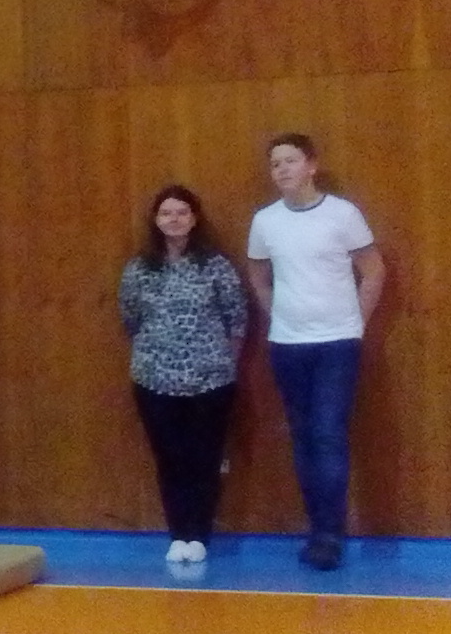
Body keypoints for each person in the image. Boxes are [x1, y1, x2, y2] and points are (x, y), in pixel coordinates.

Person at [246, 133, 385, 571]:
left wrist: (355, 324)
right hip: (288, 346)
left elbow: (373, 271)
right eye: (275, 164)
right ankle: (316, 527)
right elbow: (259, 277)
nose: (282, 170)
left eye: (290, 161)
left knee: (328, 433)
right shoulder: (265, 222)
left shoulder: (343, 214)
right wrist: (281, 317)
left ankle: (330, 534)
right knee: (303, 436)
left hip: (336, 344)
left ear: (311, 166)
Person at [118, 184, 247, 567]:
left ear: (194, 219)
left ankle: (199, 535)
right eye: (166, 213)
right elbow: (130, 318)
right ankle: (178, 534)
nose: (174, 219)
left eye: (181, 212)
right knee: (170, 459)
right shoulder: (139, 268)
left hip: (211, 382)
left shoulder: (216, 266)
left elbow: (237, 318)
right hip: (154, 380)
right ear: (156, 221)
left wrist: (222, 362)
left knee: (205, 460)